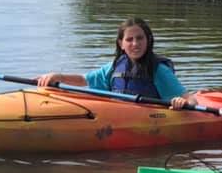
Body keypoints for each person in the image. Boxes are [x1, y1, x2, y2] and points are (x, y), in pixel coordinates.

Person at [36, 17, 197, 110]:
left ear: (148, 40)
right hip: (117, 114)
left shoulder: (158, 70)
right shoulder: (114, 67)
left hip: (149, 119)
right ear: (121, 43)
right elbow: (84, 80)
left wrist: (182, 103)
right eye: (129, 39)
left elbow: (191, 99)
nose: (135, 44)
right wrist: (58, 76)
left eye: (140, 38)